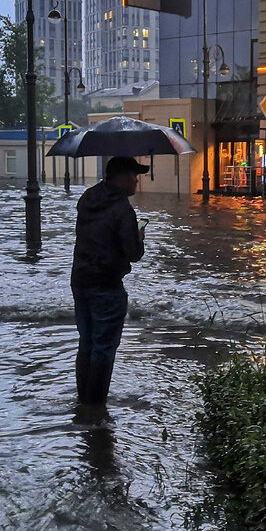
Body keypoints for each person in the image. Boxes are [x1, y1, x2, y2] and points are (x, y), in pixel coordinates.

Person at [71, 155, 148, 406]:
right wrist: (140, 235)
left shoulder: (88, 199)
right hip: (107, 284)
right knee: (104, 347)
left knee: (87, 342)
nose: (137, 180)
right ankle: (95, 408)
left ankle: (84, 401)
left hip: (81, 281)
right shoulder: (122, 209)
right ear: (123, 177)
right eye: (134, 175)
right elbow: (133, 254)